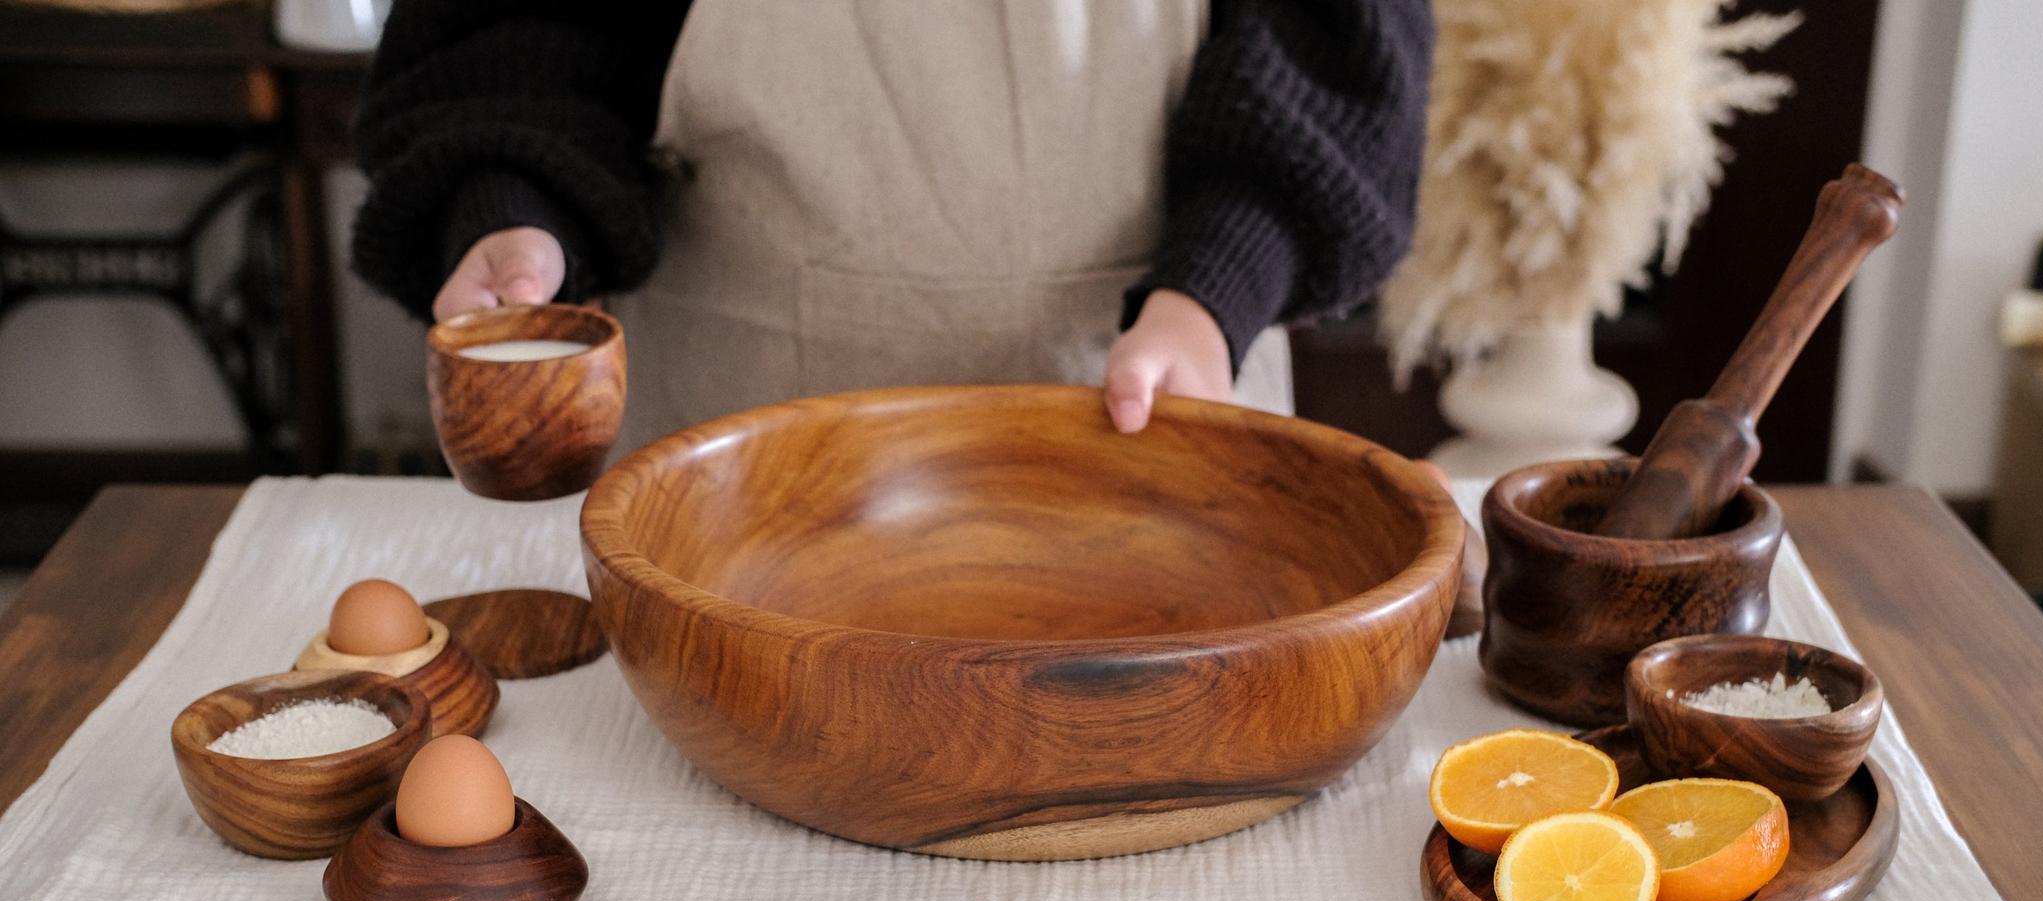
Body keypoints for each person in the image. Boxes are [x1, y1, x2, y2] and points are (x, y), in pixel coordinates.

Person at [350, 1, 1431, 450]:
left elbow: (1327, 45)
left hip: (1163, 416)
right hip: (730, 459)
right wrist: (515, 203)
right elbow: (519, 27)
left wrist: (1214, 292)